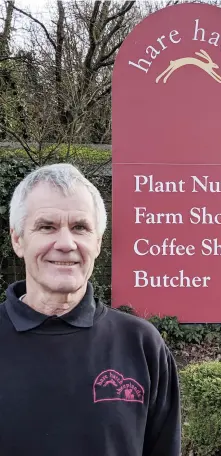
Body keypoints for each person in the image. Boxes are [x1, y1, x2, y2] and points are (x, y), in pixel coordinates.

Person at [0, 163, 181, 455]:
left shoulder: (142, 345)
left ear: (97, 243)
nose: (66, 243)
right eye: (47, 227)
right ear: (18, 239)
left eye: (80, 228)